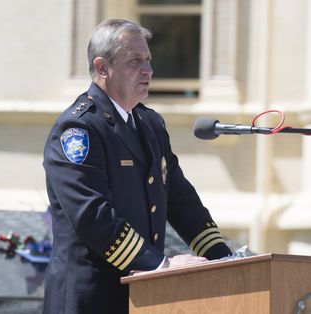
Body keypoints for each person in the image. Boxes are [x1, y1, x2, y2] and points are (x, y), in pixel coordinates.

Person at [42, 18, 232, 314]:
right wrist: (160, 264)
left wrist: (223, 260)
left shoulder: (149, 123)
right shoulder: (78, 128)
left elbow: (180, 200)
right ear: (103, 68)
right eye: (135, 62)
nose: (148, 71)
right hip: (91, 299)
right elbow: (92, 215)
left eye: (148, 60)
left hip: (142, 295)